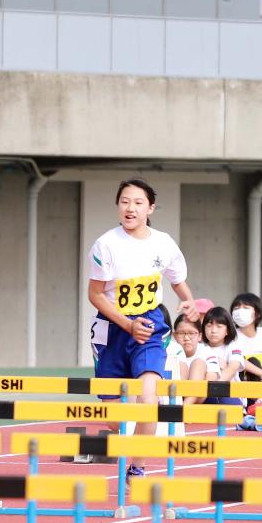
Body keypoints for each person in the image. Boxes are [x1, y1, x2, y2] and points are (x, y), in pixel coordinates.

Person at [83, 178, 195, 468]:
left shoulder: (163, 243)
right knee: (115, 420)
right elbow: (95, 295)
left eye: (137, 202)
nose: (130, 208)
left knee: (148, 400)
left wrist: (189, 301)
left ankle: (138, 466)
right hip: (112, 329)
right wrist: (126, 324)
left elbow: (177, 280)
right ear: (118, 206)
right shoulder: (105, 245)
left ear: (151, 208)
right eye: (124, 202)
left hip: (149, 327)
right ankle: (129, 437)